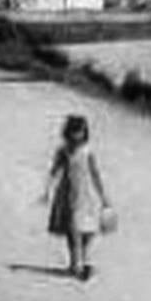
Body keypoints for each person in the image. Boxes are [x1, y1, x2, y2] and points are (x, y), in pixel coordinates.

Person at [44, 113, 113, 280]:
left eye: (80, 132)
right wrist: (47, 189)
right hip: (68, 194)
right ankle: (76, 265)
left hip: (86, 194)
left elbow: (95, 174)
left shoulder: (88, 152)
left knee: (88, 231)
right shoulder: (63, 151)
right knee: (73, 229)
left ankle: (83, 259)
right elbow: (55, 170)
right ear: (68, 132)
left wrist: (103, 196)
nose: (77, 135)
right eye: (74, 132)